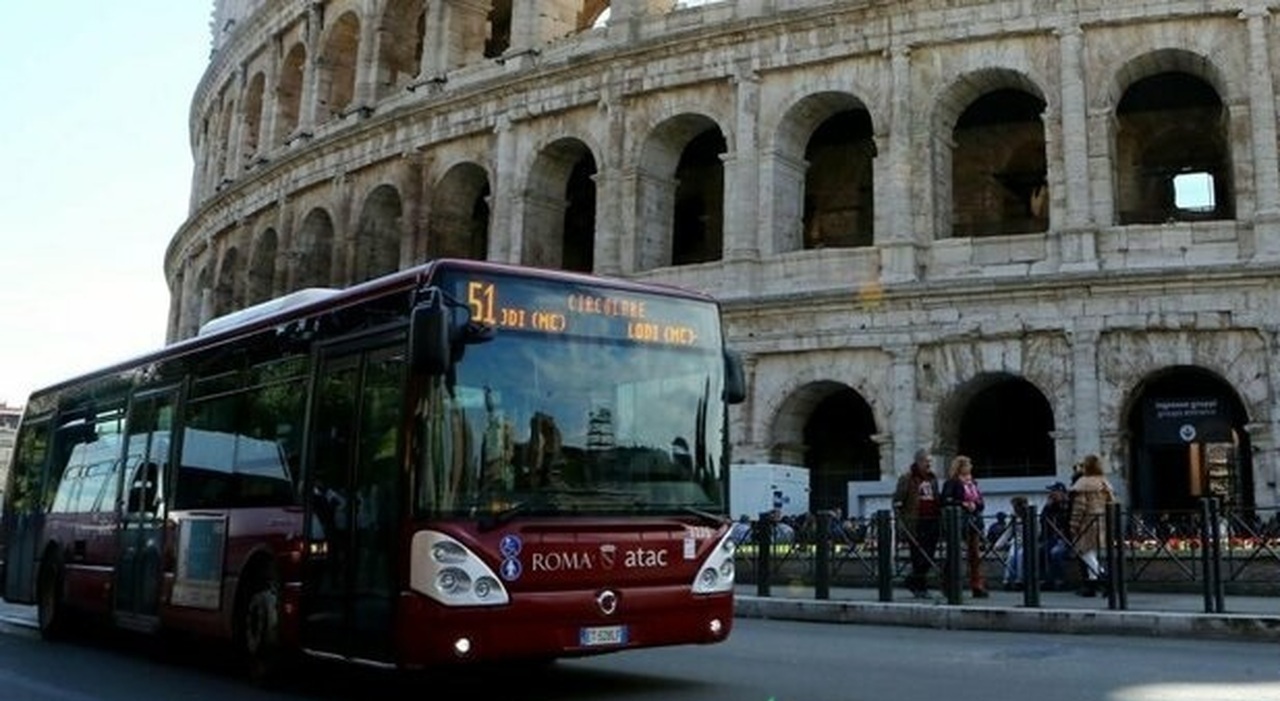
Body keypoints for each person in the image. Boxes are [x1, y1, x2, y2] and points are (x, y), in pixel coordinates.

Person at [893, 448, 941, 597]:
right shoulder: (907, 478)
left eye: (930, 461)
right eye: (927, 461)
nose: (929, 464)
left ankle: (911, 580)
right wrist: (901, 521)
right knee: (918, 555)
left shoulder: (932, 478)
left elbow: (936, 497)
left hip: (932, 520)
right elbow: (897, 500)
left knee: (929, 554)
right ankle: (920, 587)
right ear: (919, 461)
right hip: (916, 521)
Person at [1069, 454, 1116, 597]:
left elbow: (1079, 507)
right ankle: (1093, 584)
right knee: (1092, 553)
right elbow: (1111, 503)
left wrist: (1073, 525)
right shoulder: (1103, 482)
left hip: (1087, 521)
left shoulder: (1083, 483)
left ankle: (1104, 579)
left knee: (1084, 552)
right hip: (1101, 520)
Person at [941, 455, 988, 598]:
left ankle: (977, 585)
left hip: (973, 521)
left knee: (975, 555)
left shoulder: (973, 483)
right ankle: (950, 584)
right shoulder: (952, 482)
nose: (970, 467)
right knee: (954, 554)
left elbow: (981, 503)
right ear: (960, 467)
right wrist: (963, 504)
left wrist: (975, 505)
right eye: (968, 465)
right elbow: (946, 500)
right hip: (958, 522)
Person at [1039, 481, 1072, 590]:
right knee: (1041, 551)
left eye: (1054, 491)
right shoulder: (1051, 506)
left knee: (1055, 553)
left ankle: (1061, 580)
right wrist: (1047, 506)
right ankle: (1045, 580)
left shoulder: (1068, 505)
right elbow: (1043, 520)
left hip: (1066, 539)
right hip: (1053, 538)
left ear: (1061, 492)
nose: (1051, 494)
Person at [994, 496, 1029, 590]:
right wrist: (997, 544)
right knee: (1011, 556)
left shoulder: (1030, 516)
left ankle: (1020, 580)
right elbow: (1008, 532)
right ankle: (1007, 580)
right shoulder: (1014, 518)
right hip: (1017, 542)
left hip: (1028, 542)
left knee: (1021, 556)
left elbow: (1037, 532)